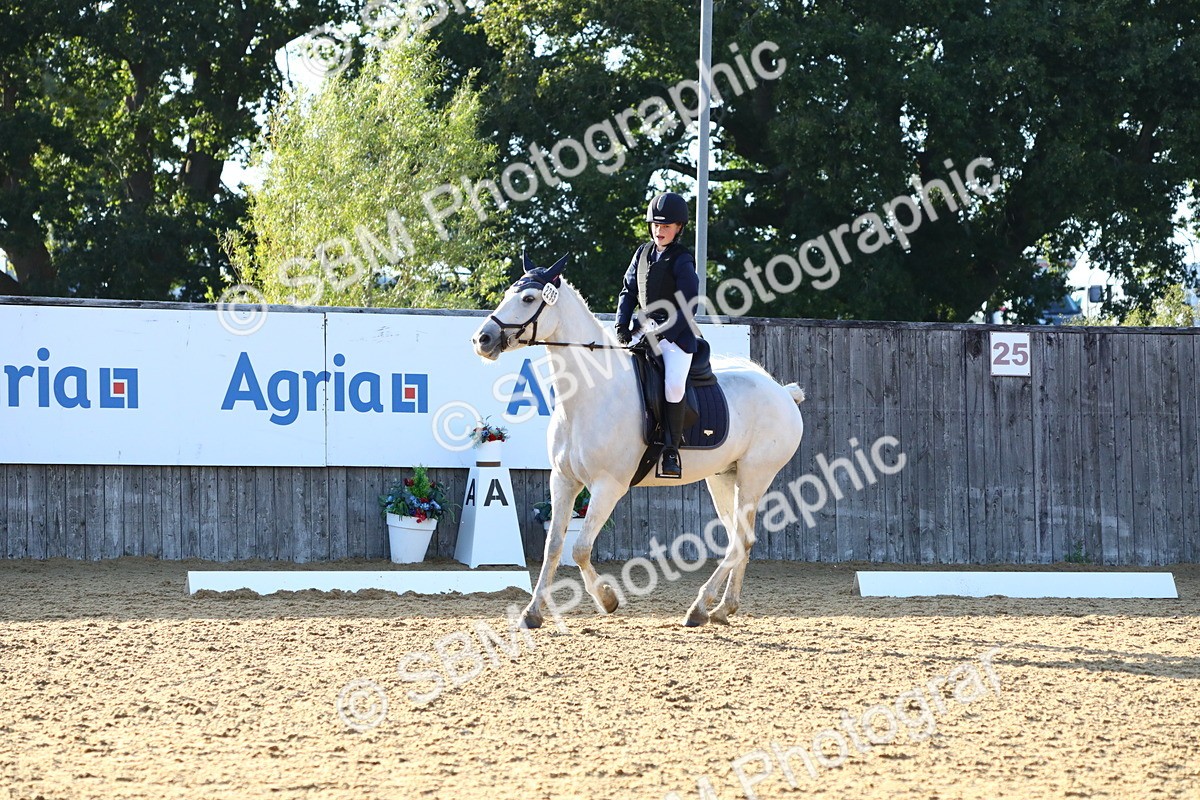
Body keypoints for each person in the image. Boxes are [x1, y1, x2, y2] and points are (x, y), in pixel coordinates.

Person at [613, 191, 701, 479]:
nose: (659, 231)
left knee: (674, 385)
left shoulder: (682, 259)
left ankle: (672, 449)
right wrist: (621, 327)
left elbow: (690, 303)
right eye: (655, 225)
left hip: (676, 335)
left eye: (666, 226)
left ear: (678, 228)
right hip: (643, 329)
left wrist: (666, 334)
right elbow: (627, 292)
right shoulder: (641, 253)